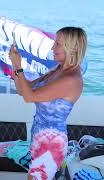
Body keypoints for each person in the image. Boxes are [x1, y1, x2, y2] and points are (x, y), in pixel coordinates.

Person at [8, 27, 87, 180]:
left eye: (58, 44)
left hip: (51, 145)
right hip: (39, 137)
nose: (53, 47)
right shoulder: (58, 70)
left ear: (74, 47)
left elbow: (29, 97)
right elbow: (24, 90)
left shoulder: (71, 79)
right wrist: (14, 64)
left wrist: (19, 66)